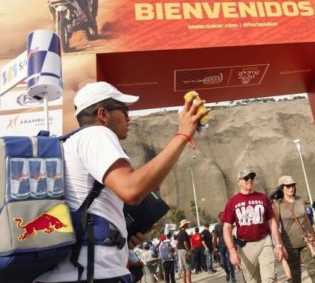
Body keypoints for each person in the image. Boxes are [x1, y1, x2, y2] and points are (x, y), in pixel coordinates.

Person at [35, 81, 206, 282]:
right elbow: (131, 190)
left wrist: (121, 238)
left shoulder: (69, 144)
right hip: (95, 275)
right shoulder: (96, 133)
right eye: (123, 110)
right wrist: (183, 134)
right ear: (102, 114)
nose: (128, 116)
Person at [221, 169, 285, 283]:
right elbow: (227, 228)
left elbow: (272, 222)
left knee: (269, 279)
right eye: (246, 178)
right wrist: (232, 251)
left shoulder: (263, 198)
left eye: (251, 177)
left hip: (264, 242)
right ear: (239, 182)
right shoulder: (232, 202)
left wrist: (278, 245)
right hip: (245, 247)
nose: (250, 180)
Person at [270, 175, 315, 283]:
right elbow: (274, 226)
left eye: (292, 185)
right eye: (288, 186)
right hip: (290, 245)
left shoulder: (300, 200)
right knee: (295, 275)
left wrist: (314, 237)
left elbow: (307, 220)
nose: (291, 188)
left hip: (306, 242)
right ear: (282, 188)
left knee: (314, 271)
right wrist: (279, 245)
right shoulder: (277, 205)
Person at [214, 212, 236, 282]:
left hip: (229, 244)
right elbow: (215, 237)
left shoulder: (228, 224)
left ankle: (233, 277)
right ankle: (227, 273)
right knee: (223, 262)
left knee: (230, 261)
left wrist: (234, 244)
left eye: (224, 215)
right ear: (219, 217)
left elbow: (232, 234)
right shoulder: (217, 226)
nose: (223, 216)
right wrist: (215, 247)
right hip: (221, 246)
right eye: (221, 216)